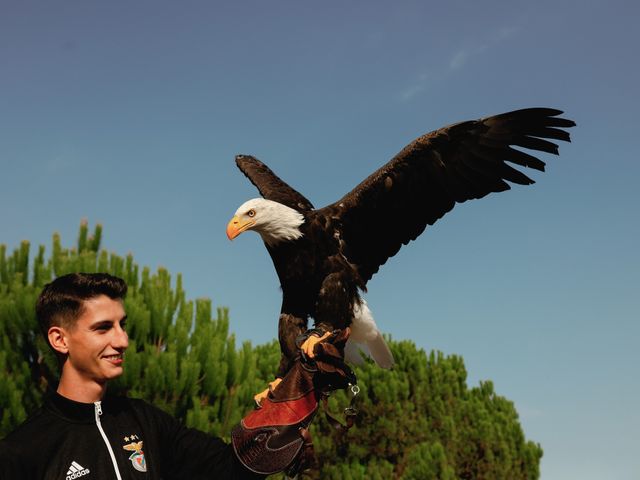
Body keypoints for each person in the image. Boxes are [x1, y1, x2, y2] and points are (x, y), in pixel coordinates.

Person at [0, 272, 280, 479]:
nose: (122, 340)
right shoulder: (21, 452)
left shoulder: (146, 421)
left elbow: (228, 467)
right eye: (103, 328)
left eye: (122, 325)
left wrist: (280, 427)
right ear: (60, 339)